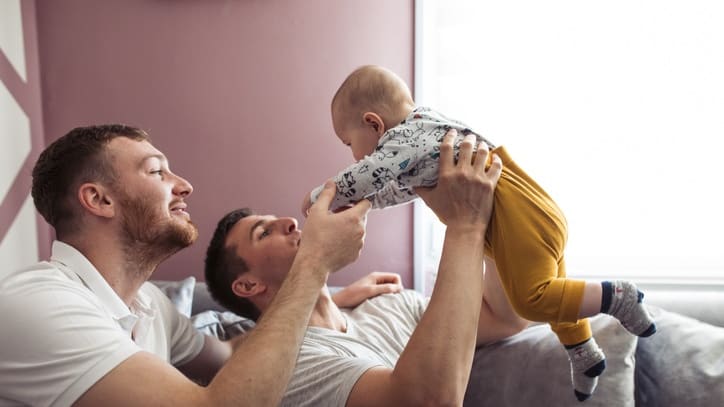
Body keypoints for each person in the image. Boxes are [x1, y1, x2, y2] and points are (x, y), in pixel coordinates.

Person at [301, 65, 657, 401]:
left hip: (513, 215)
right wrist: (368, 204)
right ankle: (582, 350)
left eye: (349, 144)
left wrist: (321, 197)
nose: (353, 156)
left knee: (531, 298)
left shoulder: (401, 139)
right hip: (523, 204)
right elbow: (396, 190)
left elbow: (365, 176)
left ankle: (619, 297)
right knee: (554, 291)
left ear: (373, 124)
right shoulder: (424, 134)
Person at [0, 124, 393, 407]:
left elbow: (233, 353)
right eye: (157, 171)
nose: (184, 184)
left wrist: (332, 299)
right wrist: (313, 264)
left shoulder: (151, 305)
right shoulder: (40, 304)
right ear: (100, 200)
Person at [205, 129, 530, 406]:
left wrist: (492, 214)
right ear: (248, 285)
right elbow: (428, 400)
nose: (289, 222)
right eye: (263, 232)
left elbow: (504, 317)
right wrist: (466, 225)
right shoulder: (283, 364)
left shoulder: (391, 302)